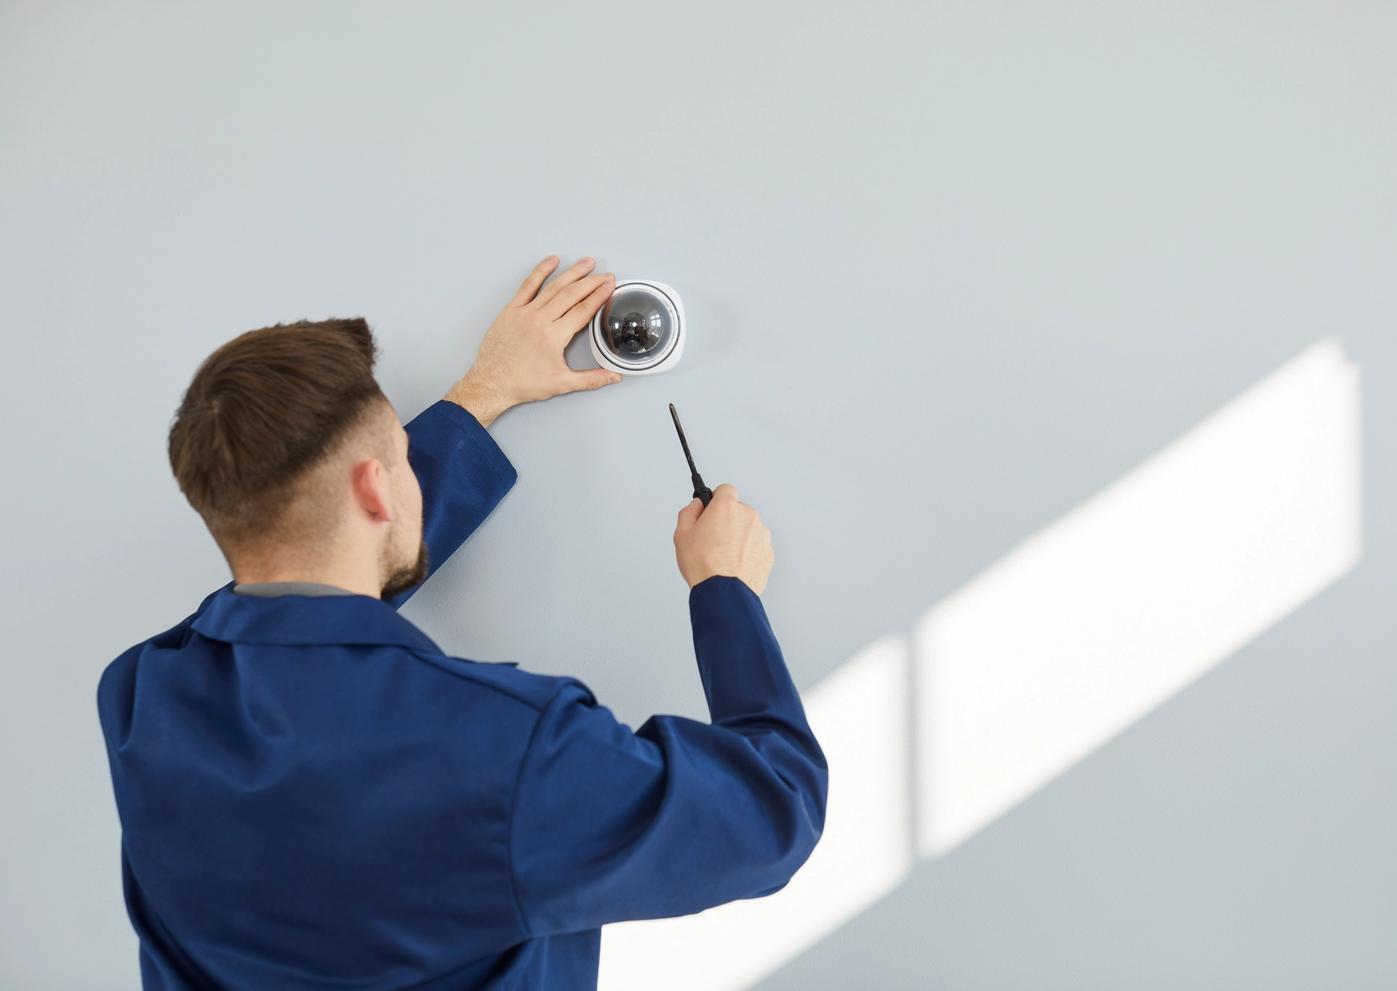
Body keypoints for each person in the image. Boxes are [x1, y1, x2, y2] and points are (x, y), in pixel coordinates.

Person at [96, 256, 829, 990]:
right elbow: (774, 813)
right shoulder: (511, 747)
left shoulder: (139, 696)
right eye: (404, 456)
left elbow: (299, 585)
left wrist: (484, 393)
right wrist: (725, 590)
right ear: (377, 490)